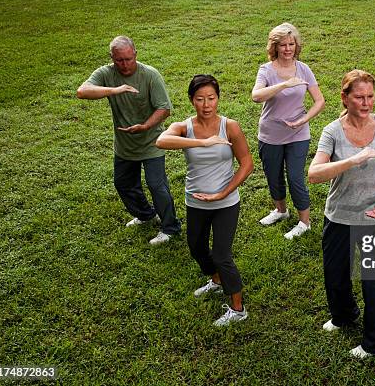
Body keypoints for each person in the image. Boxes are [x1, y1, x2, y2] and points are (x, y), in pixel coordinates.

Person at [308, 70, 375, 358]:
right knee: (335, 276)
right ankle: (343, 316)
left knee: (373, 281)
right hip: (339, 216)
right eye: (359, 97)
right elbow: (314, 174)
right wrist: (354, 159)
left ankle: (374, 343)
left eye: (371, 97)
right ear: (345, 98)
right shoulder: (332, 131)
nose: (366, 103)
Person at [156, 74, 253, 326]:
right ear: (191, 101)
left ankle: (238, 308)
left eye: (211, 98)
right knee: (196, 247)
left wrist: (223, 192)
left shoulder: (230, 127)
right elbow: (161, 140)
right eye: (200, 99)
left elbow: (247, 164)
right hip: (195, 201)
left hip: (225, 202)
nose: (206, 104)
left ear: (218, 99)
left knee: (222, 254)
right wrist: (202, 142)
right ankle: (216, 279)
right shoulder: (184, 127)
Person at [76, 35, 181, 245]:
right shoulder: (107, 73)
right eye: (119, 60)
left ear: (135, 54)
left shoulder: (150, 75)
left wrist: (144, 126)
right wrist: (115, 89)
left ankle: (170, 227)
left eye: (128, 59)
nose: (124, 65)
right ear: (112, 58)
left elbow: (164, 109)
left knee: (156, 185)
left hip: (152, 142)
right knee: (123, 184)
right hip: (124, 144)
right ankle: (146, 215)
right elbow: (82, 91)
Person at [252, 22, 325, 239]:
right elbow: (256, 96)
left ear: (296, 45)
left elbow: (319, 101)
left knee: (295, 178)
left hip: (298, 134)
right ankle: (281, 211)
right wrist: (284, 84)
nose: (288, 49)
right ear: (274, 47)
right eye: (283, 44)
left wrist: (303, 119)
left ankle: (305, 222)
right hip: (270, 134)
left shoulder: (304, 69)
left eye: (291, 44)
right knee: (273, 176)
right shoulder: (266, 70)